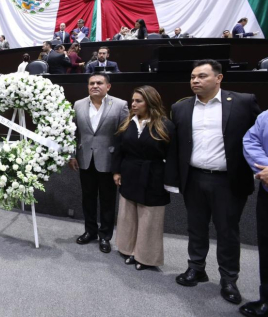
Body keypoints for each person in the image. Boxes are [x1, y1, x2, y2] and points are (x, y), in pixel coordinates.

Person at [171, 59, 260, 305]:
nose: (195, 81)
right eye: (192, 77)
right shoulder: (181, 108)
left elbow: (259, 136)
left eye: (201, 76)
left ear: (219, 78)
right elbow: (177, 147)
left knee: (227, 231)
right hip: (194, 177)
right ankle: (196, 268)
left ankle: (229, 279)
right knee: (196, 227)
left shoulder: (242, 102)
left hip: (228, 181)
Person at [112, 86, 179, 270]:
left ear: (150, 102)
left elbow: (173, 155)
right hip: (129, 172)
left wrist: (170, 181)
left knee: (150, 218)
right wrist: (116, 172)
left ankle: (145, 256)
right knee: (128, 214)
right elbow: (119, 149)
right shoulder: (127, 123)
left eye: (138, 101)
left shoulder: (165, 125)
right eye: (132, 100)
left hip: (153, 175)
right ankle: (127, 249)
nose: (133, 104)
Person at [69, 73, 129, 253]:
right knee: (87, 199)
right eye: (91, 83)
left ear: (108, 86)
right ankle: (90, 231)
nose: (95, 86)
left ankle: (105, 236)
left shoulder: (120, 105)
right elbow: (73, 133)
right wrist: (72, 155)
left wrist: (120, 165)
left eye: (99, 83)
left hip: (108, 161)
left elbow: (123, 136)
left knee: (107, 201)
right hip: (84, 160)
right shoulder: (78, 104)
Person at [242, 111, 268, 317]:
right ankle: (266, 298)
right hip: (267, 190)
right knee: (266, 246)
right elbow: (250, 142)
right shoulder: (266, 117)